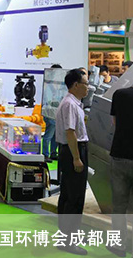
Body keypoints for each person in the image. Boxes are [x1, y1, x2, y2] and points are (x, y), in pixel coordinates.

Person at [55, 69, 89, 255]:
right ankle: (69, 240)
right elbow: (70, 132)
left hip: (72, 150)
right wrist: (77, 158)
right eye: (85, 84)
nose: (88, 88)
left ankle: (66, 237)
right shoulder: (69, 104)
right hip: (73, 151)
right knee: (74, 197)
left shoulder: (74, 103)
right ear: (76, 85)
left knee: (69, 195)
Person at [107, 78, 133, 257]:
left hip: (119, 155)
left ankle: (119, 246)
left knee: (118, 206)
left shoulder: (120, 95)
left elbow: (115, 123)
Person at [42, 64, 63, 162]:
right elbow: (48, 100)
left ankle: (53, 152)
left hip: (57, 113)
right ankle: (45, 154)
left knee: (56, 135)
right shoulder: (49, 85)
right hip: (49, 113)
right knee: (49, 135)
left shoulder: (59, 85)